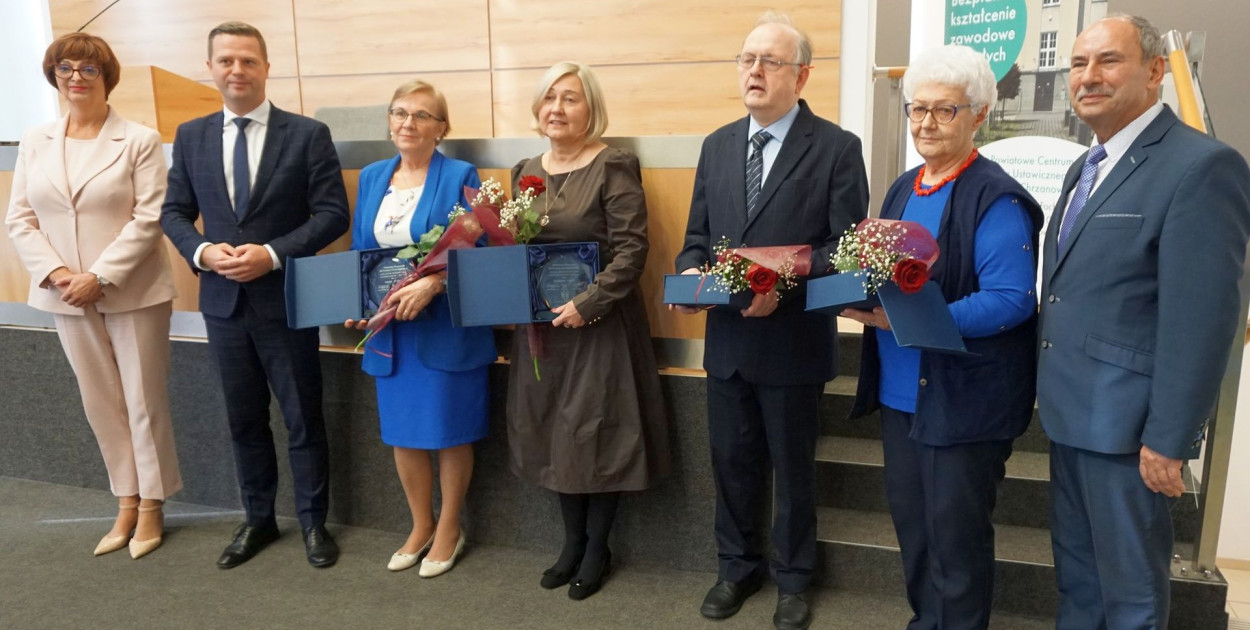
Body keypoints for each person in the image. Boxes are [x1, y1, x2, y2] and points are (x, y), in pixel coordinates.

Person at [1038, 15, 1250, 628]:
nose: (1088, 77)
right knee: (1079, 582)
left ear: (1156, 70)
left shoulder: (1201, 167)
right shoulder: (1087, 167)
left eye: (1108, 61)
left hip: (1131, 433)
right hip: (1071, 414)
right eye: (1078, 65)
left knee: (1130, 598)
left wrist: (1170, 437)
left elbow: (1204, 321)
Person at [673, 12, 869, 630]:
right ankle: (736, 569)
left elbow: (846, 253)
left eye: (770, 62)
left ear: (802, 75)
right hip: (728, 341)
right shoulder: (717, 144)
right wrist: (689, 279)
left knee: (793, 469)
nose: (754, 71)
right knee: (730, 463)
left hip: (792, 344)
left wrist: (781, 290)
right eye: (747, 60)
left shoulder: (837, 148)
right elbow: (697, 236)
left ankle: (793, 578)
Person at [840, 45, 1043, 630]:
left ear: (978, 114)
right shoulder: (904, 188)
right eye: (916, 109)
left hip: (964, 403)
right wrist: (858, 292)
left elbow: (1011, 301)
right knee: (916, 534)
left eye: (944, 111)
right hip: (904, 397)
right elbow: (890, 278)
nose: (925, 123)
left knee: (955, 544)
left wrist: (911, 320)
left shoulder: (995, 197)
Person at [160, 21, 350, 569]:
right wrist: (201, 252)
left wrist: (270, 253)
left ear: (267, 68)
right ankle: (259, 520)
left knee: (303, 419)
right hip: (222, 306)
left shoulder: (308, 134)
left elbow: (332, 213)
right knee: (244, 421)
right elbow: (173, 213)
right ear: (211, 68)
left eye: (248, 61)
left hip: (285, 302)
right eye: (226, 61)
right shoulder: (192, 135)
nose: (237, 71)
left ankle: (315, 523)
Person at [5, 32, 181, 560]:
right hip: (64, 295)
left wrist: (98, 276)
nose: (75, 78)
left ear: (107, 76)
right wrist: (59, 273)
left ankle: (152, 502)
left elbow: (149, 219)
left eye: (87, 69)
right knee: (100, 402)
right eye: (65, 69)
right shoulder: (36, 139)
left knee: (142, 401)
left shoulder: (140, 139)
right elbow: (20, 218)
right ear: (53, 75)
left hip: (133, 290)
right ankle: (125, 498)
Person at [507, 61, 670, 601]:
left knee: (595, 434)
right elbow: (516, 251)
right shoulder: (524, 170)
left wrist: (589, 302)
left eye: (570, 98)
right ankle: (570, 543)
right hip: (545, 332)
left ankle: (598, 547)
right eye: (549, 97)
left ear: (590, 108)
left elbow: (632, 250)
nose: (557, 108)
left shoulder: (613, 165)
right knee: (555, 430)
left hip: (599, 326)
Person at [343, 80, 494, 577]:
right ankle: (420, 523)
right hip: (391, 331)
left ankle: (450, 526)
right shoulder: (370, 177)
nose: (408, 123)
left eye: (422, 116)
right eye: (400, 113)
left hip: (442, 326)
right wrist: (358, 302)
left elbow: (477, 248)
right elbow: (361, 252)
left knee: (450, 431)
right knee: (403, 434)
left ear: (441, 128)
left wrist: (433, 284)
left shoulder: (459, 174)